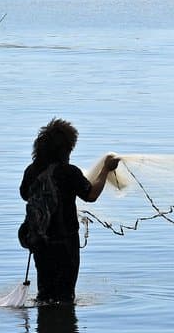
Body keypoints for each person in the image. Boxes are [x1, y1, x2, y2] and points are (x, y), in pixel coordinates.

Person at [20, 119, 120, 304]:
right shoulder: (69, 172)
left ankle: (46, 327)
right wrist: (105, 169)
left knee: (45, 293)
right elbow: (91, 195)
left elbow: (25, 195)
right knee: (65, 296)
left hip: (40, 241)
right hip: (65, 242)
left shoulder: (31, 171)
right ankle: (63, 328)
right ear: (66, 149)